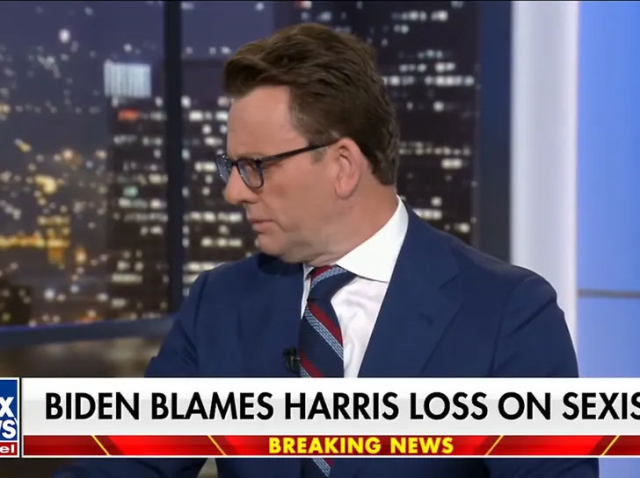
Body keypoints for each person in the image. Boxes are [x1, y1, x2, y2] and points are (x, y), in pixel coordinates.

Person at [60, 22, 597, 478]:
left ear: (342, 166)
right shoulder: (220, 303)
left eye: (255, 167)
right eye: (232, 167)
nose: (233, 192)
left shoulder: (508, 315)